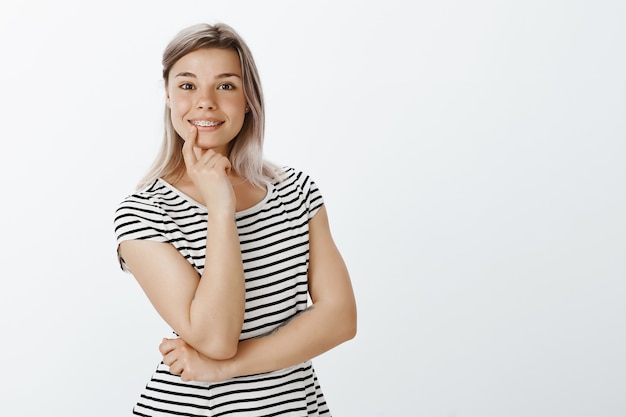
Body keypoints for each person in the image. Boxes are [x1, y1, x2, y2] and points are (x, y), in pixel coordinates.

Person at [113, 22, 357, 416]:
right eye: (187, 86)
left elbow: (341, 319)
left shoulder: (296, 190)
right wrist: (220, 209)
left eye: (225, 85)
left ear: (248, 99)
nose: (205, 102)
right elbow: (215, 338)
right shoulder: (144, 212)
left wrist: (225, 369)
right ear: (169, 97)